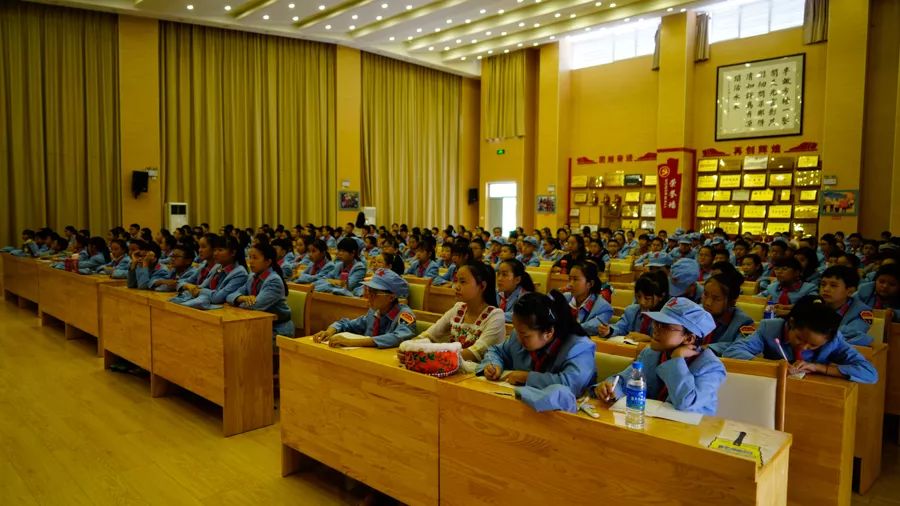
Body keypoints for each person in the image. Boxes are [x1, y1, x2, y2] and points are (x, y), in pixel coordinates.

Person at [596, 297, 725, 415]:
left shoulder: (711, 367)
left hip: (689, 433)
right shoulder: (651, 354)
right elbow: (624, 380)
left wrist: (677, 358)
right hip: (651, 425)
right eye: (656, 323)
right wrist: (611, 388)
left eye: (665, 326)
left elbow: (685, 404)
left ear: (689, 338)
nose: (655, 330)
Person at [723, 296, 877, 383]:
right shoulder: (770, 329)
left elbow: (869, 373)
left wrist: (818, 368)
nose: (804, 348)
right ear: (791, 323)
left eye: (813, 346)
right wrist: (773, 364)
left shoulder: (833, 340)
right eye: (799, 338)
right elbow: (732, 351)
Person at [478, 290, 597, 400]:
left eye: (525, 335)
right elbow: (496, 351)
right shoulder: (519, 335)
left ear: (549, 332)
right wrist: (493, 365)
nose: (518, 338)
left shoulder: (579, 347)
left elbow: (572, 385)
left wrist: (527, 378)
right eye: (516, 331)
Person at [416, 262, 505, 369]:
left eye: (463, 282)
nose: (456, 287)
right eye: (456, 281)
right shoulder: (458, 308)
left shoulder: (495, 316)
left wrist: (428, 358)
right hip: (450, 368)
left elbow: (475, 353)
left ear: (482, 286)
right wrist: (409, 347)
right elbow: (429, 334)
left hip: (477, 377)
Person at [313, 269, 418, 348]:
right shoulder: (374, 312)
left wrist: (352, 342)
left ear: (391, 297)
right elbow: (347, 324)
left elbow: (397, 338)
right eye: (369, 291)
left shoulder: (405, 315)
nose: (369, 296)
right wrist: (330, 331)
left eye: (375, 293)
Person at [228, 242, 294, 338]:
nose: (250, 261)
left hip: (278, 330)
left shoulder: (274, 280)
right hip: (259, 325)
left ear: (268, 261)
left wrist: (237, 302)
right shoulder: (252, 277)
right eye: (249, 257)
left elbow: (255, 306)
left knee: (237, 339)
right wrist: (242, 298)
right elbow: (230, 295)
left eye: (255, 258)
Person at [172, 235, 249, 308]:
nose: (215, 253)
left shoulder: (240, 273)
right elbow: (202, 286)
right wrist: (189, 286)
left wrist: (199, 291)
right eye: (215, 250)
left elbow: (218, 298)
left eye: (220, 250)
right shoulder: (217, 267)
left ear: (233, 253)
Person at [600, 271, 669, 340]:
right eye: (638, 297)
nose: (642, 302)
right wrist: (609, 330)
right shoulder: (631, 311)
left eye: (647, 298)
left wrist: (650, 339)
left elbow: (668, 342)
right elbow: (620, 327)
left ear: (661, 297)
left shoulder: (667, 318)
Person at [701, 271, 754, 356]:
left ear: (731, 302)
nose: (708, 303)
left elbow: (743, 346)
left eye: (716, 299)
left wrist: (709, 348)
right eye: (705, 294)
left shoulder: (745, 322)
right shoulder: (695, 312)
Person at [819, 265, 873, 346]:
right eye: (823, 284)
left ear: (850, 291)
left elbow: (855, 337)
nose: (826, 289)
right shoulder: (815, 304)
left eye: (833, 285)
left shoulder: (865, 312)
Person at [563, 261, 613, 336]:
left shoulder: (604, 308)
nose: (570, 284)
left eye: (575, 280)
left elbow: (591, 328)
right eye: (569, 279)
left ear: (590, 284)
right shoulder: (564, 298)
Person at [496, 259, 535, 323]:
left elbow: (518, 316)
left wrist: (492, 315)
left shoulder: (526, 298)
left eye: (504, 275)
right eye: (498, 274)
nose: (499, 278)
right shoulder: (496, 292)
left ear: (517, 280)